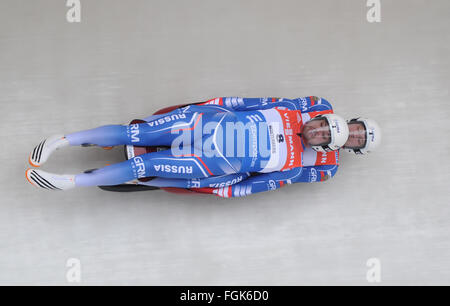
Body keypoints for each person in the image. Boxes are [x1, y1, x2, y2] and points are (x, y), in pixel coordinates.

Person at [25, 96, 358, 197]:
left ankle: (69, 182)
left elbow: (258, 184)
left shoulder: (296, 165)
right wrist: (210, 104)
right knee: (134, 134)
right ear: (318, 118)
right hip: (202, 123)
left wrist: (224, 190)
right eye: (320, 124)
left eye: (322, 135)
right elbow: (241, 102)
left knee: (146, 167)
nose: (315, 130)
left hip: (209, 163)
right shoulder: (287, 109)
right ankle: (62, 140)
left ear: (326, 146)